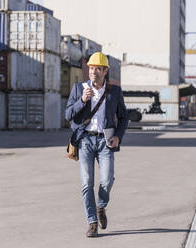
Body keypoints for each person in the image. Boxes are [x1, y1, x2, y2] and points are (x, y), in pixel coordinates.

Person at [65, 52, 129, 238]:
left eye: (97, 69)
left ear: (105, 70)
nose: (93, 72)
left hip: (105, 141)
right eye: (91, 68)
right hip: (85, 140)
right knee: (86, 184)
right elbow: (68, 115)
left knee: (107, 180)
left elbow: (124, 117)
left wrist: (118, 136)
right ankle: (92, 222)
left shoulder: (114, 91)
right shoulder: (78, 88)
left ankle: (101, 206)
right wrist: (82, 100)